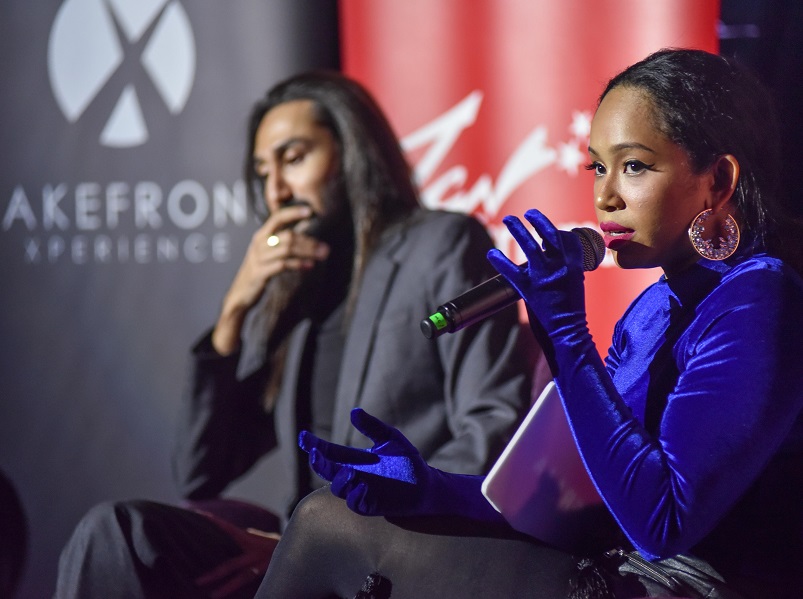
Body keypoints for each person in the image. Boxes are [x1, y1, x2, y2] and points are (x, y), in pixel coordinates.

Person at [256, 49, 803, 599]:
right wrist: (433, 489)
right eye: (598, 166)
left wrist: (567, 338)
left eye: (634, 166)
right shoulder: (653, 310)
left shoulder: (759, 299)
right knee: (330, 515)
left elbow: (662, 523)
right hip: (604, 560)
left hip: (680, 586)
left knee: (325, 526)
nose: (605, 196)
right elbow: (577, 503)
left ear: (719, 179)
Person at [54, 72, 538, 599]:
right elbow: (200, 470)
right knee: (118, 532)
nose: (276, 190)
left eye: (294, 157)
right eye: (263, 172)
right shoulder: (298, 287)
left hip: (399, 540)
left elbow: (493, 422)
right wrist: (235, 311)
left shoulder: (440, 243)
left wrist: (329, 532)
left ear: (353, 152)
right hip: (299, 544)